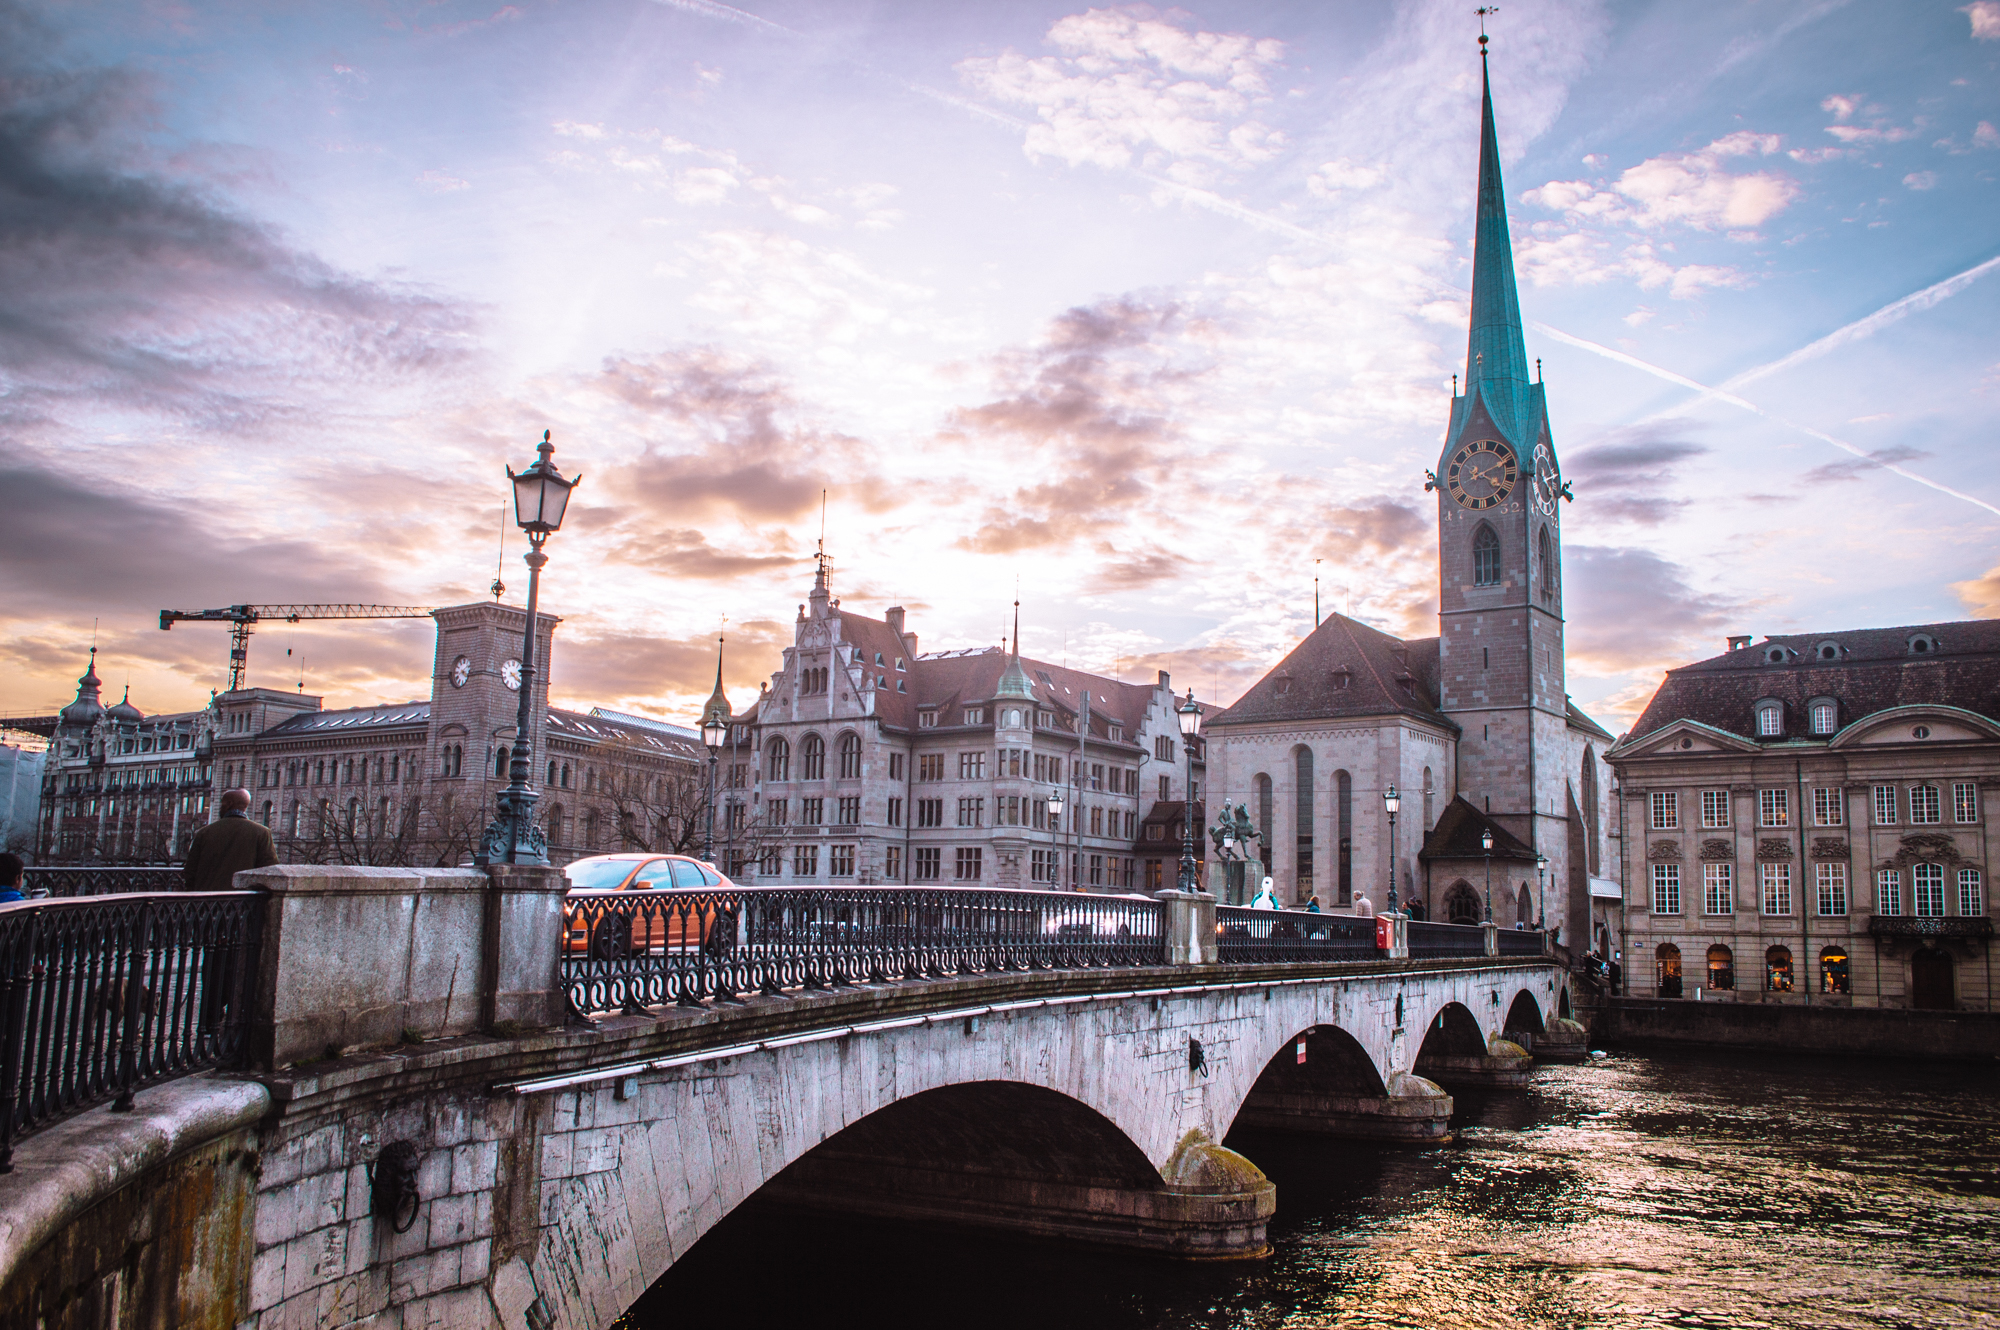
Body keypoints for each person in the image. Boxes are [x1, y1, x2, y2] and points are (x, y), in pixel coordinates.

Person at [182, 788, 277, 893]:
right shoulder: (262, 833)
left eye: (222, 803)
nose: (220, 807)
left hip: (206, 900)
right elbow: (270, 870)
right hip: (242, 900)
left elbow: (190, 871)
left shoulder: (204, 832)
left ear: (229, 804)